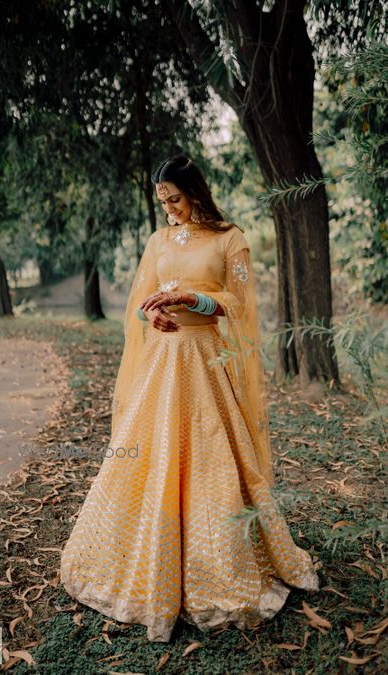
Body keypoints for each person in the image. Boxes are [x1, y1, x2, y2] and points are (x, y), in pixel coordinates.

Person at [60, 154, 319, 643]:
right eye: (162, 202)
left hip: (206, 361)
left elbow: (240, 305)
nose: (169, 210)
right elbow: (143, 297)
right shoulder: (159, 240)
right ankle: (142, 562)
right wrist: (149, 316)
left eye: (174, 198)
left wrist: (193, 301)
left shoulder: (230, 238)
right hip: (161, 362)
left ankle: (217, 565)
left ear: (195, 191)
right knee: (149, 461)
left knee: (211, 462)